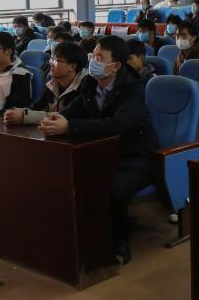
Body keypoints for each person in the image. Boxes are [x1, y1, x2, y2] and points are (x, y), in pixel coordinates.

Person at [38, 36, 159, 265]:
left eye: (100, 58)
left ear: (116, 66)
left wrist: (71, 126)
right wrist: (58, 119)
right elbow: (73, 111)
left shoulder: (134, 89)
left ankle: (119, 241)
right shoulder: (90, 83)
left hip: (135, 155)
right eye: (93, 55)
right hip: (102, 151)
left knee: (115, 189)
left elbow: (118, 125)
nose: (93, 61)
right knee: (65, 177)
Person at [4, 40, 88, 127]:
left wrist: (24, 116)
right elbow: (36, 107)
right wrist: (18, 113)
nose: (51, 64)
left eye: (56, 61)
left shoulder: (85, 86)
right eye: (52, 59)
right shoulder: (53, 83)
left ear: (72, 66)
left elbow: (66, 117)